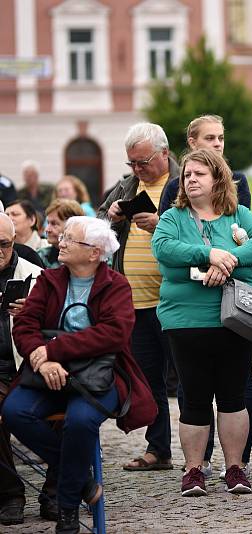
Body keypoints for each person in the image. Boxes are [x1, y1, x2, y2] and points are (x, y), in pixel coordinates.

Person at [3, 216, 154, 533]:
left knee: (80, 421)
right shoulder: (49, 280)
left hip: (99, 374)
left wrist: (54, 349)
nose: (62, 242)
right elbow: (26, 326)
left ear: (94, 252)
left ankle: (68, 511)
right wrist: (42, 360)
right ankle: (82, 479)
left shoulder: (116, 286)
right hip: (47, 372)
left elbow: (112, 334)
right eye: (64, 237)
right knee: (14, 412)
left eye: (71, 239)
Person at [151, 148, 252, 497]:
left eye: (199, 174)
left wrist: (227, 260)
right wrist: (208, 254)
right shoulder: (174, 217)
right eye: (187, 175)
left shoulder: (238, 214)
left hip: (237, 320)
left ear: (217, 178)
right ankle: (193, 470)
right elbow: (165, 250)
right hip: (186, 321)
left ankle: (235, 468)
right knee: (195, 398)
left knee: (233, 394)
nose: (191, 180)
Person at [98, 122, 176, 473]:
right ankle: (158, 448)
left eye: (143, 162)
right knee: (149, 379)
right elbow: (97, 230)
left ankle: (200, 455)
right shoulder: (127, 186)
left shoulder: (183, 182)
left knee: (188, 380)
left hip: (176, 300)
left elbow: (202, 228)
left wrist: (161, 223)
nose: (137, 169)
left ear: (164, 153)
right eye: (132, 163)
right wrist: (112, 217)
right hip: (136, 301)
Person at [0, 212, 42, 526]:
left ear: (15, 241)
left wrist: (34, 312)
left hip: (31, 367)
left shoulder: (38, 276)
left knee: (71, 411)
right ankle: (11, 493)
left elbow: (61, 329)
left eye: (3, 244)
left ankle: (58, 490)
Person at [159, 114, 252, 214]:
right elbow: (166, 226)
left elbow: (244, 224)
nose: (218, 144)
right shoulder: (175, 186)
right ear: (193, 143)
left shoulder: (237, 181)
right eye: (210, 138)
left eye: (221, 138)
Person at [38, 199, 85, 269]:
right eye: (48, 223)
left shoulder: (87, 258)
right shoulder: (41, 256)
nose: (47, 229)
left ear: (72, 225)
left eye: (54, 224)